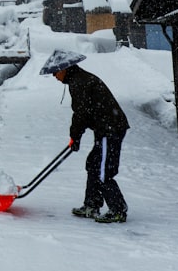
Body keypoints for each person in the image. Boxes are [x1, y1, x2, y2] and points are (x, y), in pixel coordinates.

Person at [40, 49, 129, 223]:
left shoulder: (80, 82)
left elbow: (81, 114)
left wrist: (75, 136)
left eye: (55, 72)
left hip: (110, 130)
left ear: (65, 68)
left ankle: (118, 210)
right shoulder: (78, 79)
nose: (54, 76)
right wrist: (76, 137)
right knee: (94, 165)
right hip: (105, 128)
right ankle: (91, 205)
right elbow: (85, 113)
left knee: (104, 170)